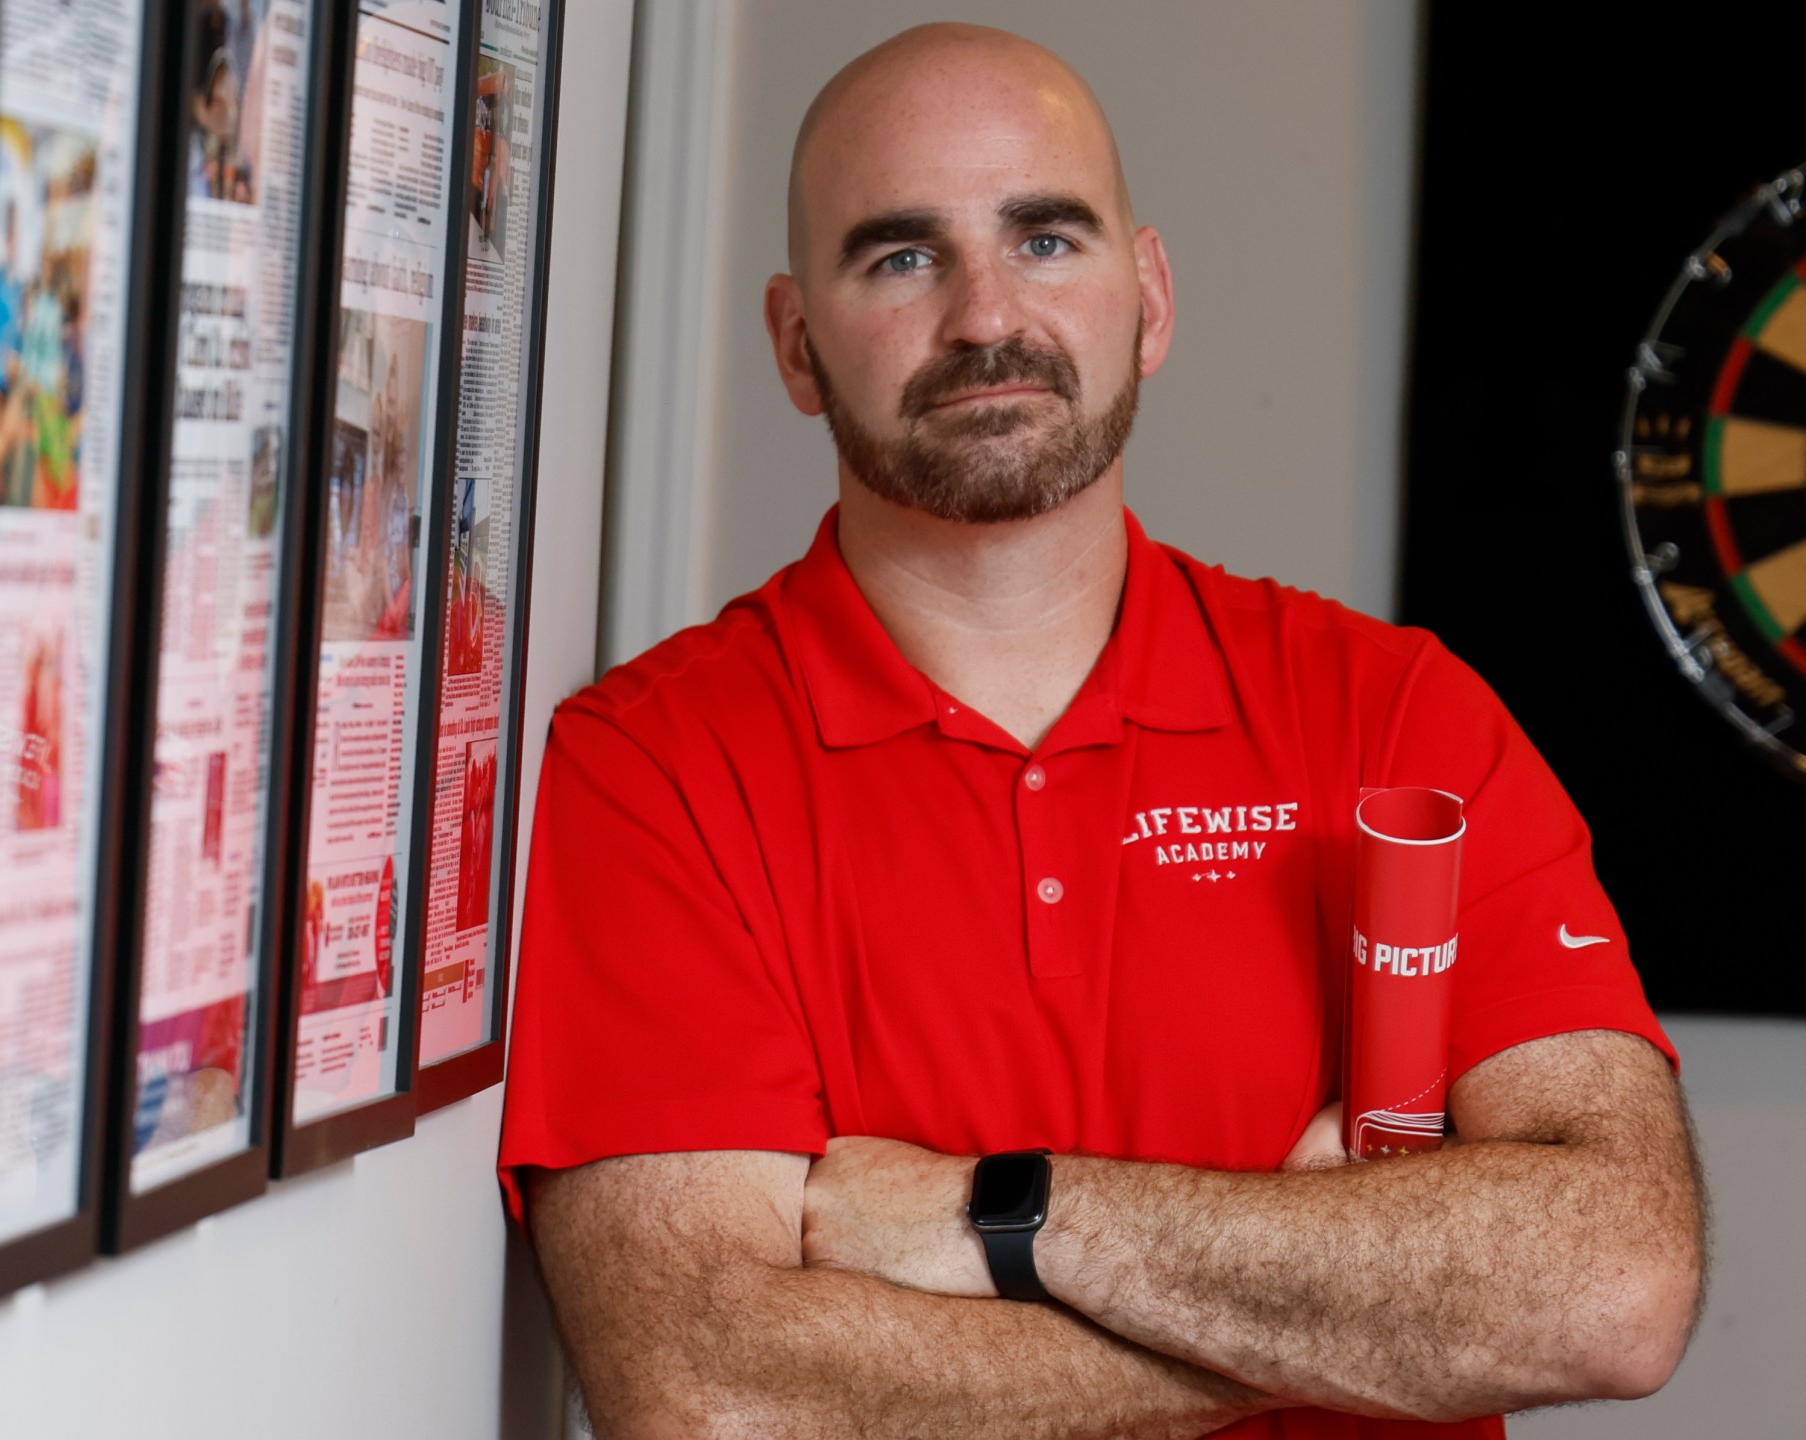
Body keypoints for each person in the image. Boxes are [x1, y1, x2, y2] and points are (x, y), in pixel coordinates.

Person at [498, 25, 1704, 1439]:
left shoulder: (1396, 715)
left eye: (1047, 241)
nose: (985, 316)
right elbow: (714, 1393)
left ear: (1151, 296)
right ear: (795, 343)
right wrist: (1346, 1304)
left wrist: (994, 1217)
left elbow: (1618, 1277)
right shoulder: (654, 769)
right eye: (900, 256)